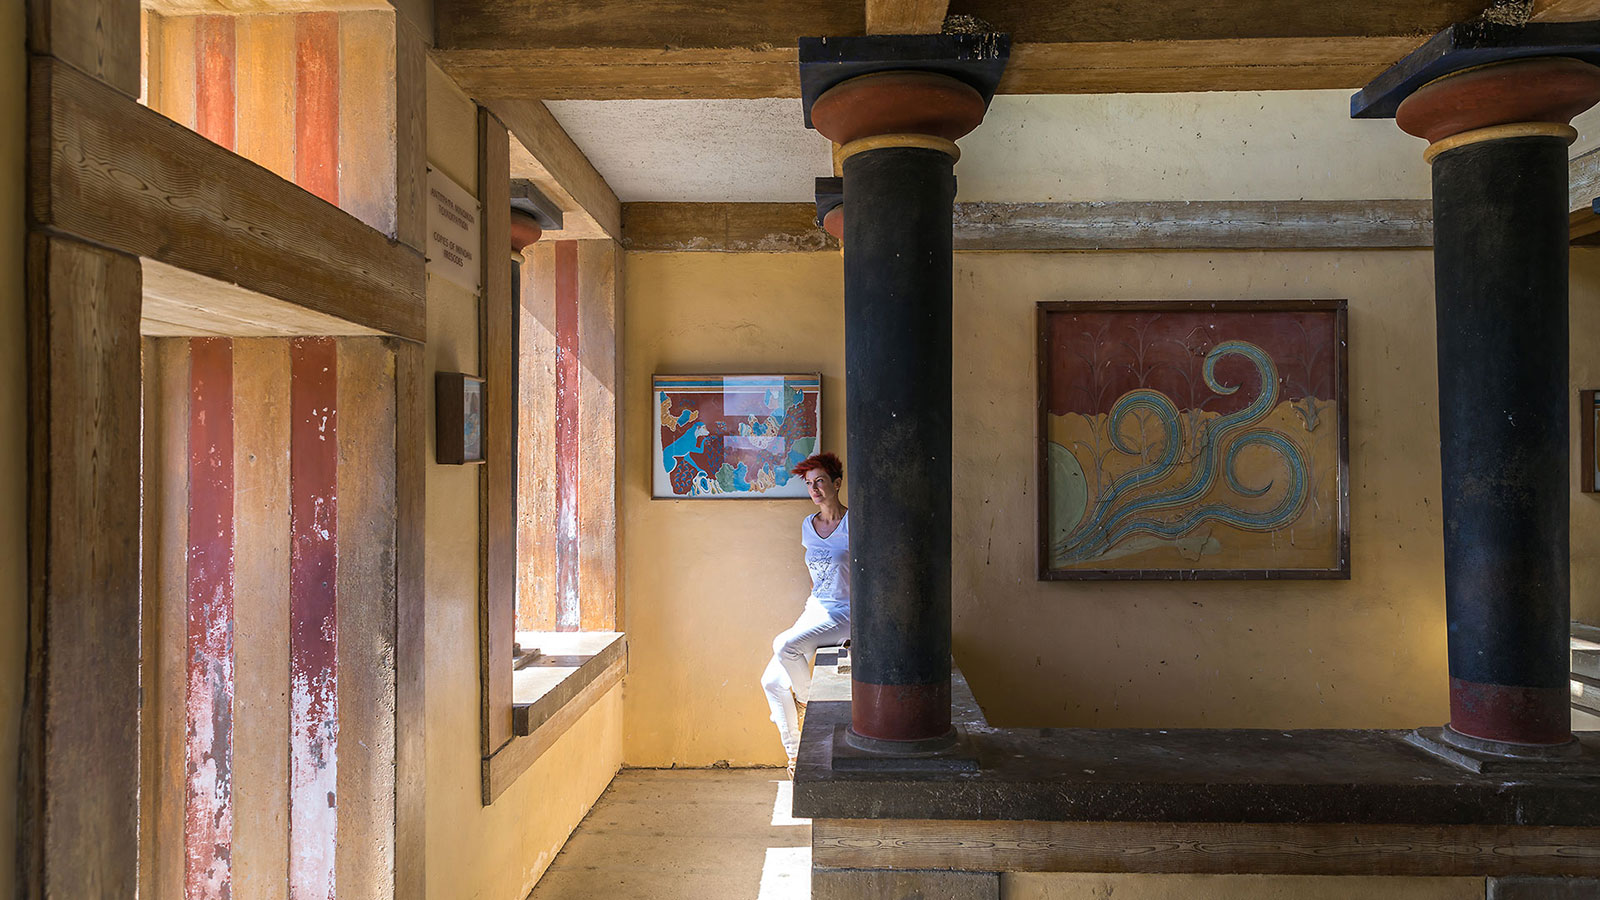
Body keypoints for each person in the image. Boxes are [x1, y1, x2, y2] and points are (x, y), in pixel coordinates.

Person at [760, 451, 850, 778]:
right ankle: (797, 756)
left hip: (846, 611)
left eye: (820, 481)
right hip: (817, 608)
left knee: (784, 645)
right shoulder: (808, 525)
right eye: (809, 483)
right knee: (771, 682)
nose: (814, 489)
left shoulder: (854, 524)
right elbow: (815, 575)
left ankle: (809, 707)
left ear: (837, 484)